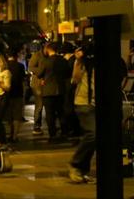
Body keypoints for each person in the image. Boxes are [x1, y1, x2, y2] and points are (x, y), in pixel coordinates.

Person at [68, 46, 96, 184]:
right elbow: (74, 80)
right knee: (92, 134)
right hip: (83, 102)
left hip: (95, 104)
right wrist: (78, 61)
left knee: (94, 138)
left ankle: (83, 170)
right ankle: (76, 163)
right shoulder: (82, 63)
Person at [37, 42, 70, 142]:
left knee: (50, 114)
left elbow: (39, 73)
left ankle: (53, 134)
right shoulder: (63, 60)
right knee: (61, 112)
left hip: (48, 91)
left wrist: (43, 78)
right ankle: (64, 133)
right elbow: (68, 73)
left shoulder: (45, 61)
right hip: (60, 90)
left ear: (48, 49)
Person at [0, 54, 12, 146]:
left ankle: (3, 140)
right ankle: (1, 139)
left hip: (3, 96)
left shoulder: (6, 72)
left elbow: (8, 87)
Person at [28, 45, 46, 135]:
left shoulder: (48, 56)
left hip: (47, 84)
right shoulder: (37, 55)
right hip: (37, 84)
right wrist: (41, 71)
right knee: (39, 105)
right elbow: (30, 68)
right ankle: (36, 126)